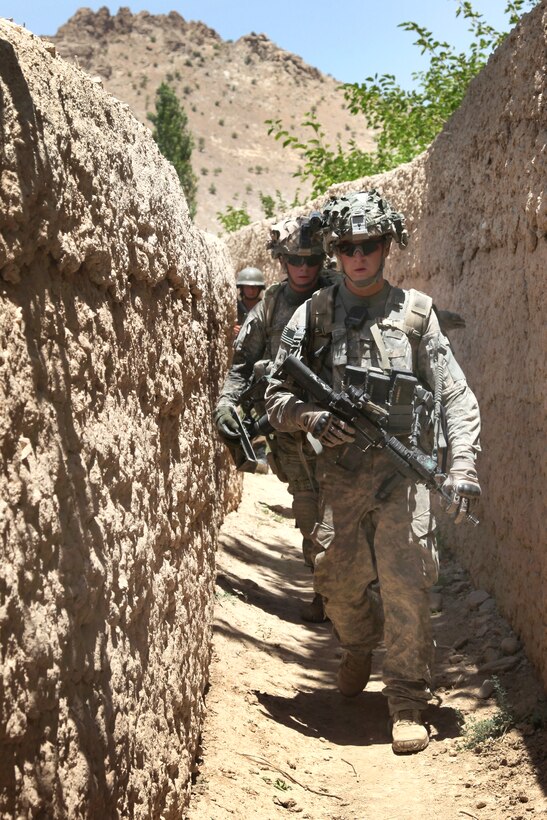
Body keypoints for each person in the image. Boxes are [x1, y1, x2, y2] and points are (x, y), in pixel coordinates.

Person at [264, 190, 481, 753]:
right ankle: (358, 643)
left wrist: (461, 465)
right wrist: (310, 418)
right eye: (347, 247)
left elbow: (455, 395)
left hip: (403, 476)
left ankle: (407, 700)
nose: (358, 256)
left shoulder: (417, 314)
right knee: (337, 584)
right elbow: (273, 396)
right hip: (340, 477)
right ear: (335, 252)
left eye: (370, 245)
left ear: (387, 247)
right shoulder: (314, 313)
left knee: (408, 584)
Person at [213, 215, 340, 622]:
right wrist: (227, 403)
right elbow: (242, 362)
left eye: (311, 260)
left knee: (338, 515)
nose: (303, 268)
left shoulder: (340, 296)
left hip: (335, 425)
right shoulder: (270, 304)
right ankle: (324, 589)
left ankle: (343, 598)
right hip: (287, 428)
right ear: (282, 261)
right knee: (307, 513)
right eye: (295, 260)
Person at [234, 267, 265, 337]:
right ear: (242, 288)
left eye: (254, 287)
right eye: (247, 287)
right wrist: (234, 330)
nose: (251, 291)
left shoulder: (265, 308)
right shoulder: (235, 308)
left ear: (259, 288)